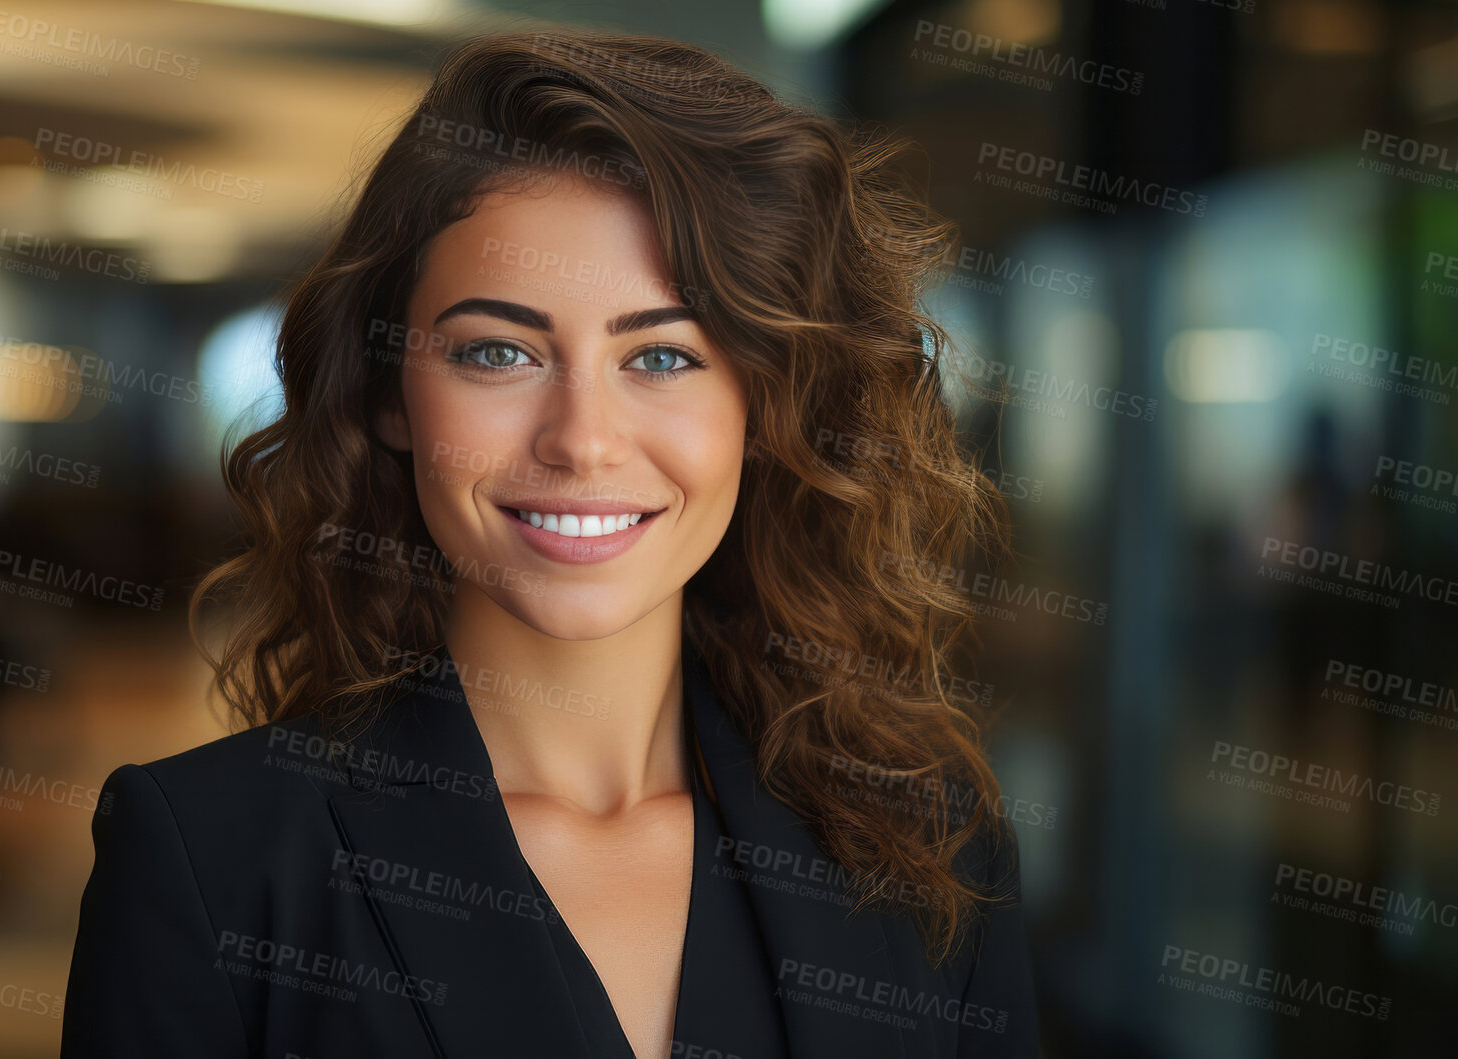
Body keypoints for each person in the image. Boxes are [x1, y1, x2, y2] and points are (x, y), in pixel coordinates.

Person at [63, 28, 1036, 1059]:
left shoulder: (928, 847)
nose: (579, 441)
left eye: (660, 355)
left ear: (765, 406)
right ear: (390, 391)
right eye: (498, 352)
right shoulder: (209, 857)